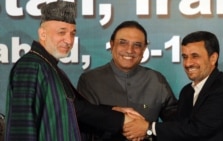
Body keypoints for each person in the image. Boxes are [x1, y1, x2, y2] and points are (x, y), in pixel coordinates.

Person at [4, 2, 142, 141]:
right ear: (43, 34)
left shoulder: (49, 66)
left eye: (72, 33)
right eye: (61, 32)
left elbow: (73, 109)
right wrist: (120, 120)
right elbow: (20, 126)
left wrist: (112, 112)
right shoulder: (31, 66)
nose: (69, 40)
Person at [120, 31, 223, 141]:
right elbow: (179, 129)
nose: (188, 63)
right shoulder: (187, 91)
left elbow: (197, 130)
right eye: (185, 57)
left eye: (195, 56)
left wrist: (148, 127)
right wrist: (141, 128)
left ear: (213, 58)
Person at [77, 20, 178, 141]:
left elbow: (177, 126)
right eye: (123, 43)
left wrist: (148, 130)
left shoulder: (156, 80)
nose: (130, 50)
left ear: (144, 49)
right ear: (112, 44)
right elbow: (82, 122)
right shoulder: (90, 80)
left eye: (137, 45)